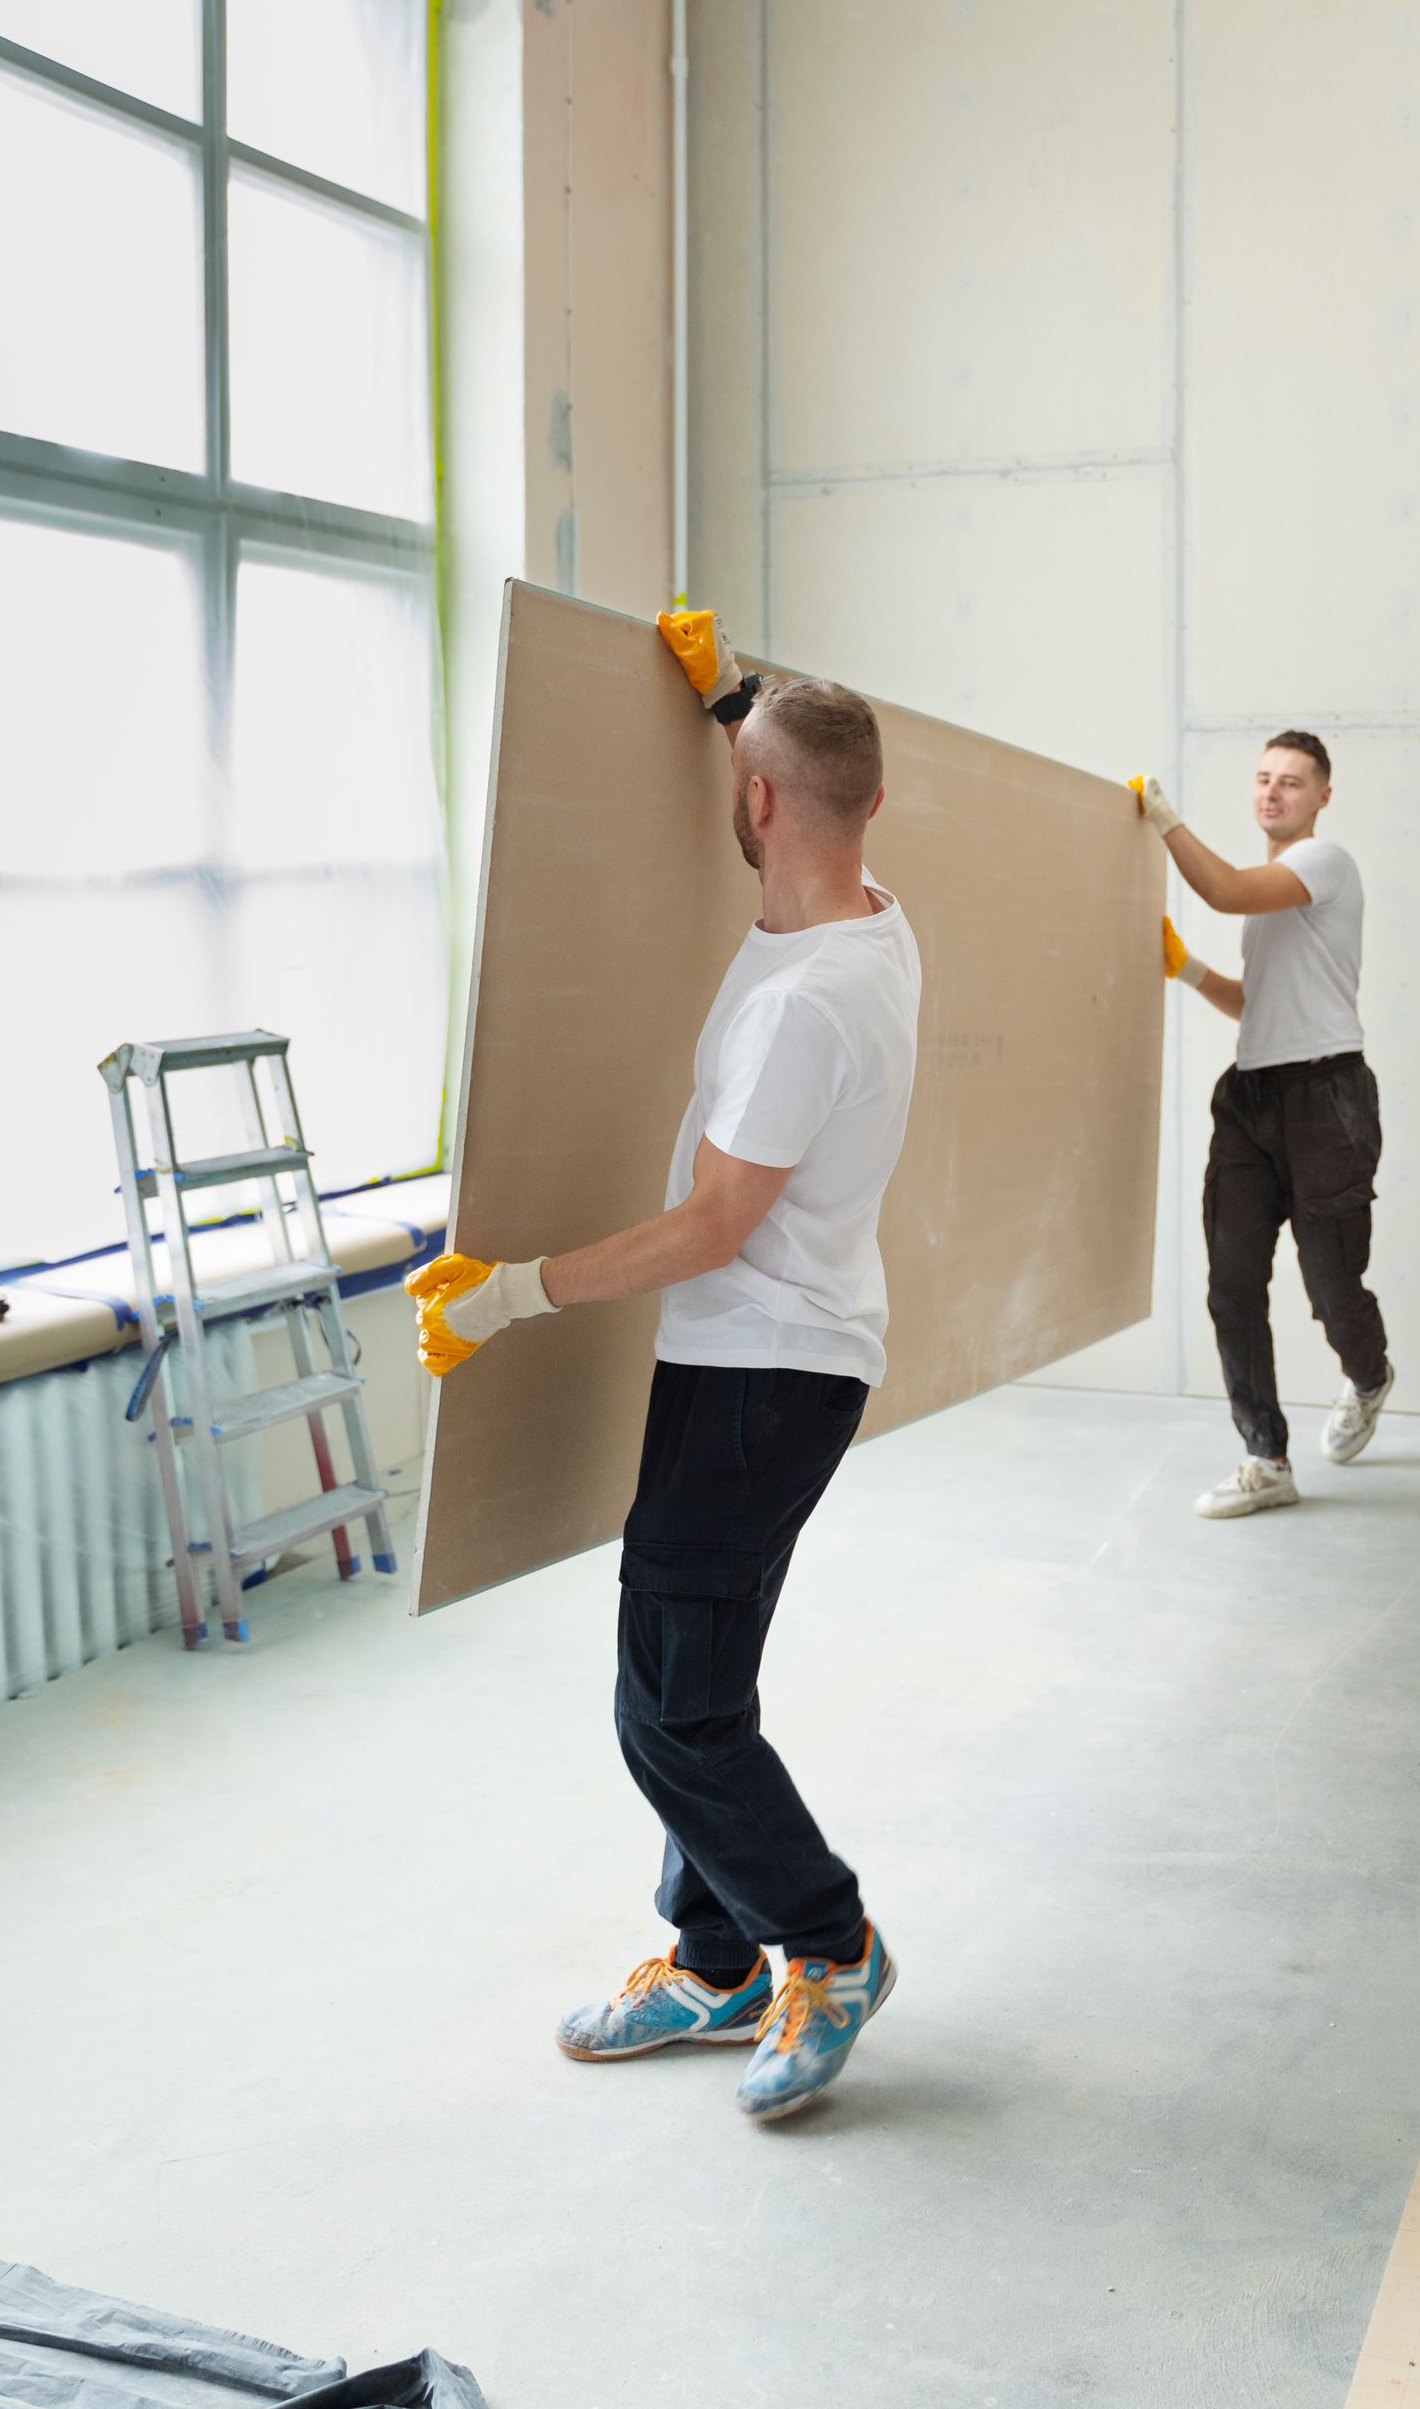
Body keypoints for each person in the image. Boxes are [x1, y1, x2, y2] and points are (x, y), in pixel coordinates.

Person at [408, 609, 921, 2123]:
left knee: (669, 1714)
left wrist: (510, 1297)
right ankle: (715, 1963)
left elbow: (711, 1224)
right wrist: (731, 701)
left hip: (761, 1372)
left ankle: (827, 1947)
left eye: (748, 770)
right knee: (709, 1678)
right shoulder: (871, 914)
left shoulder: (801, 1008)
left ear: (763, 805)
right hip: (775, 1367)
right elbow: (807, 778)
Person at [1134, 736, 1394, 1520]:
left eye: (1291, 782)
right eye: (1262, 780)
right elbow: (1263, 1005)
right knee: (1234, 1286)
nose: (1272, 793)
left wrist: (1164, 819)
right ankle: (1266, 1456)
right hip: (1250, 1100)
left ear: (1322, 796)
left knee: (1331, 1285)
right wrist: (1188, 972)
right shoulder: (1278, 895)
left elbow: (1224, 890)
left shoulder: (1325, 861)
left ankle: (1369, 1375)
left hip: (1327, 1099)